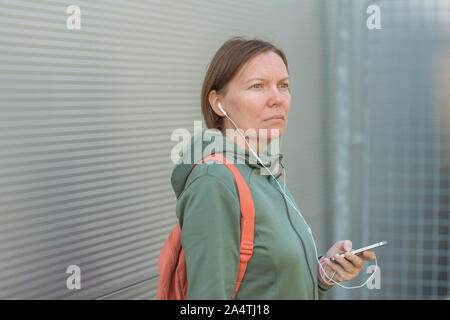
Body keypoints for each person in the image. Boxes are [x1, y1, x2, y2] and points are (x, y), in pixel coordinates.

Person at [170, 36, 375, 299]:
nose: (278, 98)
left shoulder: (267, 171)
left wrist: (323, 274)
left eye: (284, 85)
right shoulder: (215, 180)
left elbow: (266, 281)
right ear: (218, 103)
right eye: (257, 86)